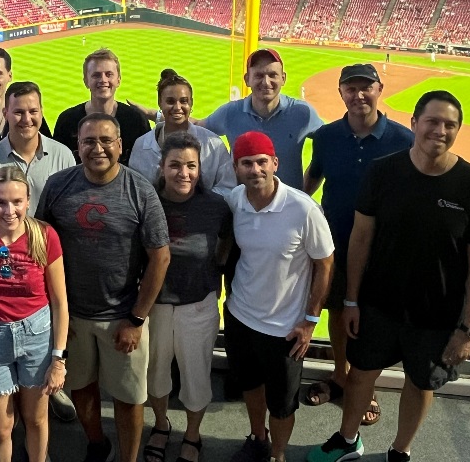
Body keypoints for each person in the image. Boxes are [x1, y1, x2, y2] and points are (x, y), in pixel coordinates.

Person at [307, 91, 470, 462]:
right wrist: (351, 300)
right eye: (432, 121)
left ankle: (401, 450)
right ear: (414, 123)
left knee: (421, 383)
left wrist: (468, 330)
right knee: (360, 373)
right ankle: (348, 440)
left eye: (449, 125)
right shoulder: (383, 172)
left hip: (438, 314)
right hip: (378, 303)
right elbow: (361, 239)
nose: (440, 130)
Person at [37, 113, 170, 462]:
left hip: (123, 316)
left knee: (129, 398)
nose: (98, 148)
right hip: (73, 317)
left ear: (120, 146)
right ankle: (97, 443)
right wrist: (56, 313)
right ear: (77, 146)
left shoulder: (140, 190)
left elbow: (160, 258)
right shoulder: (58, 185)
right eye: (89, 141)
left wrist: (136, 319)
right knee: (81, 388)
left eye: (106, 141)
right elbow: (40, 248)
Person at [301, 64, 413, 423]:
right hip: (334, 242)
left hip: (381, 248)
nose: (358, 95)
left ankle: (365, 383)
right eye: (351, 88)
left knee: (371, 316)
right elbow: (314, 177)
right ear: (341, 93)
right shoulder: (327, 136)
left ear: (380, 89)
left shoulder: (404, 140)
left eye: (366, 87)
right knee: (337, 310)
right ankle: (340, 375)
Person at [222, 132, 333, 462]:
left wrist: (310, 321)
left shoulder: (303, 209)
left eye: (261, 162)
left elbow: (325, 264)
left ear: (275, 163)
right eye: (246, 163)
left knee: (283, 404)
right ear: (236, 168)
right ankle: (258, 437)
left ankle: (278, 454)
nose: (255, 170)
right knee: (250, 385)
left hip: (284, 328)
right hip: (240, 315)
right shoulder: (235, 200)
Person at [0, 167, 70, 462]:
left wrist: (58, 359)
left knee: (36, 419)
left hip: (37, 336)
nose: (10, 211)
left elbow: (60, 302)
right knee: (1, 429)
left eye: (17, 202)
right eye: (1, 202)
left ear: (28, 200)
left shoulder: (44, 236)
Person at [142, 133, 232, 462]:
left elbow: (226, 242)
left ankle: (193, 435)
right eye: (175, 165)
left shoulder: (216, 206)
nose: (184, 173)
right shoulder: (147, 201)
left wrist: (212, 271)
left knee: (196, 375)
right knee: (156, 373)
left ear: (200, 168)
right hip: (155, 305)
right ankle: (161, 424)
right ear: (162, 167)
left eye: (191, 166)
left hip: (198, 305)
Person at [199, 48, 322, 189]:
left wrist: (306, 191)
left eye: (272, 75)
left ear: (283, 78)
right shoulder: (230, 113)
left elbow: (330, 141)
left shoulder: (302, 113)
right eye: (259, 75)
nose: (266, 82)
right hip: (241, 201)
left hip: (288, 202)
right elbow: (197, 127)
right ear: (247, 79)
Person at [128, 70, 235, 197]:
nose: (177, 107)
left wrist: (200, 203)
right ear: (160, 103)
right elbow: (135, 191)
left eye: (183, 101)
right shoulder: (141, 145)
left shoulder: (213, 144)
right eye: (170, 101)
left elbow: (228, 187)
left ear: (191, 103)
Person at [0, 81, 76, 212]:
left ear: (41, 112)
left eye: (33, 111)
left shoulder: (63, 156)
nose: (27, 119)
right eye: (19, 112)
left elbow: (70, 208)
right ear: (5, 114)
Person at [53, 48, 150, 166]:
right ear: (86, 81)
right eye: (96, 75)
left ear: (118, 80)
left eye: (109, 74)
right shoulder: (67, 121)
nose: (103, 80)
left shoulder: (137, 120)